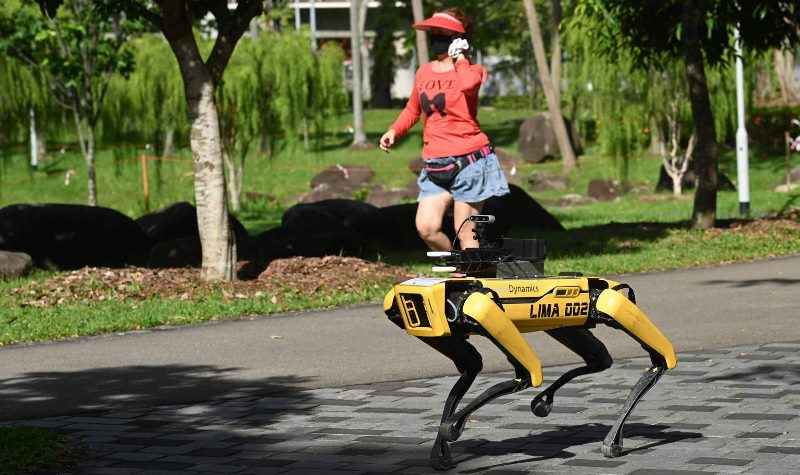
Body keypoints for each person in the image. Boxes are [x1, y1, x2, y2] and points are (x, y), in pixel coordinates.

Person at [379, 8, 510, 251]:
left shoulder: (471, 70)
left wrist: (461, 57)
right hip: (435, 164)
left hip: (470, 161)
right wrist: (394, 130)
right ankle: (456, 271)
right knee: (426, 227)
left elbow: (470, 86)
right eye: (433, 33)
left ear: (457, 38)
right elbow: (412, 109)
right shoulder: (424, 71)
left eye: (442, 33)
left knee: (466, 231)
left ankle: (473, 281)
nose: (436, 38)